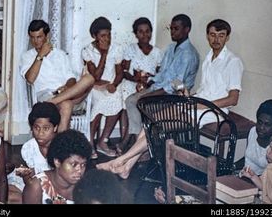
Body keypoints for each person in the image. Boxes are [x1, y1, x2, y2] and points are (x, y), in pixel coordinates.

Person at [97, 18, 243, 179]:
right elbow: (204, 90)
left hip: (213, 110)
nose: (216, 40)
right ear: (207, 36)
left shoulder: (233, 62)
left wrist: (203, 105)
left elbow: (233, 99)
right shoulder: (209, 58)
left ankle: (120, 161)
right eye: (212, 35)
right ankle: (127, 168)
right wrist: (190, 95)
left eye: (221, 35)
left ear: (227, 37)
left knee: (161, 127)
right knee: (153, 121)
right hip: (197, 103)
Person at [124, 14, 199, 139]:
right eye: (171, 28)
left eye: (176, 29)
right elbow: (162, 73)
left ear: (187, 30)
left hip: (174, 96)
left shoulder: (188, 54)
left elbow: (176, 84)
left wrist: (150, 95)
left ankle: (141, 142)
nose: (172, 32)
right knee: (131, 100)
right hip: (160, 89)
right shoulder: (171, 48)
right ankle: (139, 140)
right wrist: (149, 83)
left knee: (139, 102)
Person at [19, 19, 94, 132]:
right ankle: (60, 147)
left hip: (66, 94)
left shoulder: (60, 54)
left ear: (47, 36)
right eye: (32, 37)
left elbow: (71, 78)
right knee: (66, 105)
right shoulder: (27, 56)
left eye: (39, 37)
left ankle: (52, 102)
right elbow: (30, 79)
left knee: (89, 78)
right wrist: (40, 56)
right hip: (46, 95)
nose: (35, 41)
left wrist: (67, 87)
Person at [119, 17, 163, 152]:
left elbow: (159, 75)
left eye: (147, 31)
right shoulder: (131, 49)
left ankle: (129, 140)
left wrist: (148, 82)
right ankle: (129, 139)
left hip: (149, 86)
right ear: (136, 34)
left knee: (139, 101)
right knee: (127, 99)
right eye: (141, 32)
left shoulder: (157, 52)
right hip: (131, 82)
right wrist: (136, 80)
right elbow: (124, 71)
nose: (145, 35)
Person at [81, 17, 123, 159]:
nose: (107, 39)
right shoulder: (87, 50)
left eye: (109, 35)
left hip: (109, 85)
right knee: (98, 103)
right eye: (103, 36)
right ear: (94, 36)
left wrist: (114, 85)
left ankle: (102, 141)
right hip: (93, 86)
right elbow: (96, 77)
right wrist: (104, 54)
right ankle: (90, 143)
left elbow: (119, 73)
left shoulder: (116, 48)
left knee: (117, 100)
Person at [22, 129, 92, 204]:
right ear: (57, 162)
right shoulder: (37, 186)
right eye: (73, 164)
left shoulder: (84, 186)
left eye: (83, 165)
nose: (79, 170)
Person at [18, 102, 60, 180]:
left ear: (55, 127)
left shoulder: (61, 147)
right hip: (35, 185)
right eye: (36, 128)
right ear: (31, 127)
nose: (40, 133)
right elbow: (30, 176)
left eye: (46, 128)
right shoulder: (28, 148)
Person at [240, 132, 272, 204]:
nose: (267, 150)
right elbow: (263, 187)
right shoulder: (270, 167)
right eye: (269, 147)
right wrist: (253, 176)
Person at [243, 100, 272, 175]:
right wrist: (233, 165)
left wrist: (252, 179)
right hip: (244, 176)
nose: (261, 127)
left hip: (261, 182)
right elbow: (248, 157)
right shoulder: (253, 131)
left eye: (267, 124)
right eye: (259, 122)